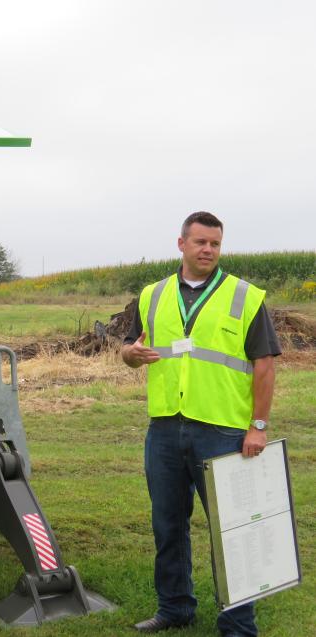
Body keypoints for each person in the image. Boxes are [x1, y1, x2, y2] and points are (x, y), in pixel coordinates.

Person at [121, 211, 281, 637]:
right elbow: (130, 348)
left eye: (215, 243)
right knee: (168, 524)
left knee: (233, 530)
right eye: (200, 242)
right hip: (165, 429)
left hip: (224, 430)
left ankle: (238, 625)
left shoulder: (245, 297)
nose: (208, 250)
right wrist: (128, 356)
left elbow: (264, 366)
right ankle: (174, 608)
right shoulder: (152, 295)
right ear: (181, 244)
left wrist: (258, 426)